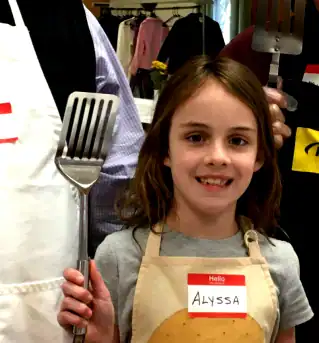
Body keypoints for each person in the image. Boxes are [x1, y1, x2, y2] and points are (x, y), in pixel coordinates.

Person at [57, 56, 313, 343]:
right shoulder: (120, 257)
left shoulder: (280, 262)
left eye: (237, 141)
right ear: (165, 148)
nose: (217, 157)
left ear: (259, 156)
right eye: (195, 137)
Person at [0, 1, 143, 343]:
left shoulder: (66, 20)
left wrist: (106, 277)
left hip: (49, 312)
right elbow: (121, 175)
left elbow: (119, 174)